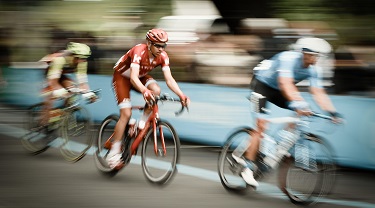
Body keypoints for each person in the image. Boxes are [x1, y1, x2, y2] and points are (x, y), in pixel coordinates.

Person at [233, 37, 342, 187]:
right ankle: (248, 168)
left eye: (319, 56)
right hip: (262, 85)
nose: (318, 59)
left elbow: (318, 92)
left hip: (279, 90)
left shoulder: (314, 69)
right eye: (316, 55)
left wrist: (332, 112)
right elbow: (285, 83)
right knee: (261, 125)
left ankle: (279, 146)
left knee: (301, 113)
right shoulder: (288, 58)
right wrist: (298, 103)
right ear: (306, 53)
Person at [107, 28, 190, 169]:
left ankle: (141, 124)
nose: (160, 49)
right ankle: (114, 151)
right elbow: (133, 78)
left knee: (156, 90)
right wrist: (144, 90)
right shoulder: (139, 51)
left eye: (163, 46)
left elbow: (169, 79)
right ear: (149, 43)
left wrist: (181, 95)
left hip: (139, 77)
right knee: (126, 114)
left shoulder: (163, 56)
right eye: (157, 45)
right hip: (122, 78)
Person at [39, 42, 96, 124]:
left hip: (61, 74)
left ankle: (60, 115)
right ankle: (44, 119)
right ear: (73, 55)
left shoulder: (82, 61)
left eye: (85, 58)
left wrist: (89, 93)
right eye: (81, 57)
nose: (83, 60)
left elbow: (82, 82)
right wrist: (60, 91)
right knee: (51, 94)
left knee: (71, 88)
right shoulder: (60, 59)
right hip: (49, 71)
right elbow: (53, 81)